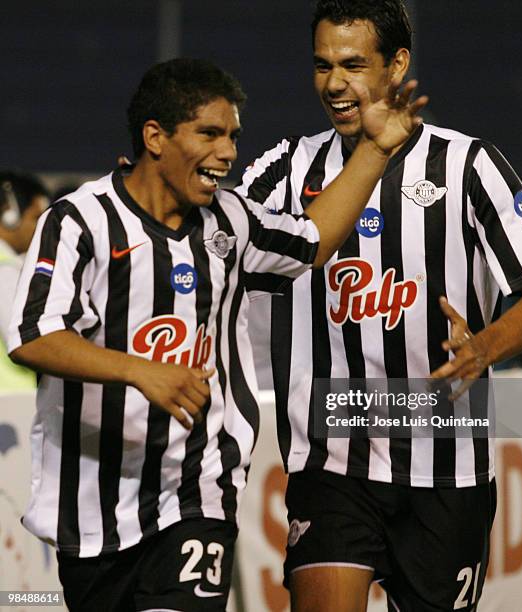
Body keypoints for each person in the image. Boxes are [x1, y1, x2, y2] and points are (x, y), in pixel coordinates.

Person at [7, 57, 426, 611]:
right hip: (92, 511)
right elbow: (34, 334)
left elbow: (313, 242)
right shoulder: (79, 222)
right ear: (155, 137)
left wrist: (374, 150)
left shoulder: (231, 220)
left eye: (232, 135)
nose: (228, 153)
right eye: (210, 133)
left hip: (198, 493)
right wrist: (139, 370)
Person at [236, 1, 522, 610]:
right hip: (332, 458)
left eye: (353, 65)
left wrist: (483, 347)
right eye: (322, 65)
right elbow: (220, 239)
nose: (334, 83)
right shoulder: (287, 165)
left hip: (448, 463)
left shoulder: (470, 164)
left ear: (397, 65)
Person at [0, 170, 49, 389]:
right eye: (36, 218)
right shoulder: (4, 270)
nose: (41, 229)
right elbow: (24, 339)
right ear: (9, 214)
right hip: (12, 405)